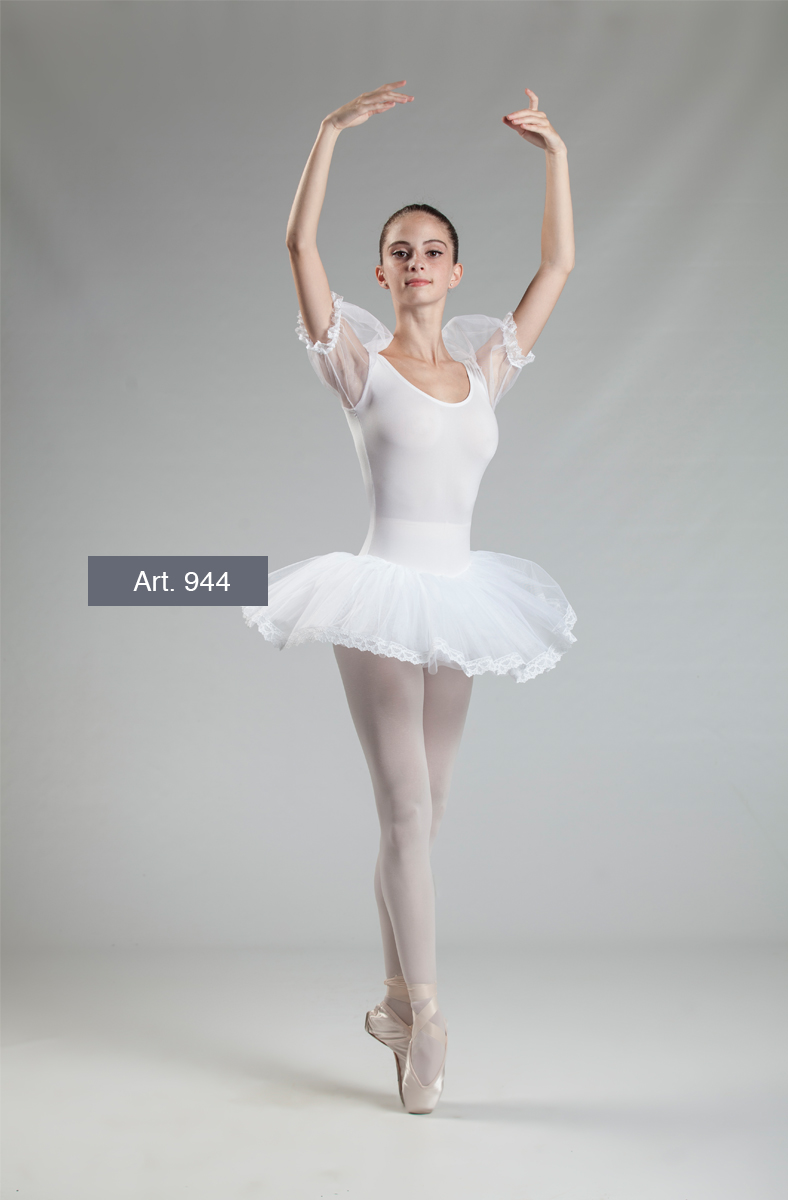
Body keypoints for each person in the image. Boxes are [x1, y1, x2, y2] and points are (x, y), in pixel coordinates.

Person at [242, 81, 577, 1114]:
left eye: (433, 249)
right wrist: (326, 131)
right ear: (381, 273)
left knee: (423, 821)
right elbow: (297, 248)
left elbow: (558, 267)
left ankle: (393, 1003)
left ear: (455, 270)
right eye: (400, 250)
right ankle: (427, 1021)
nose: (418, 261)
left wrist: (557, 157)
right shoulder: (359, 364)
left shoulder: (484, 370)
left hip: (461, 594)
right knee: (404, 807)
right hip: (382, 595)